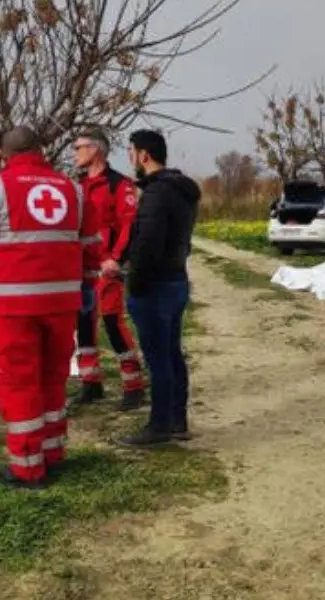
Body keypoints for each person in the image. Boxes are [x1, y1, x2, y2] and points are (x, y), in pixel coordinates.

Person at [0, 126, 108, 489]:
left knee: (19, 381)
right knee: (53, 377)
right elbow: (92, 244)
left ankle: (27, 466)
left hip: (14, 305)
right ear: (41, 150)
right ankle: (53, 452)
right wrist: (84, 285)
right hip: (63, 302)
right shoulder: (72, 188)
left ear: (3, 155)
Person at [114, 129, 200, 446]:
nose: (131, 159)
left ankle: (159, 424)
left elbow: (148, 244)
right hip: (177, 280)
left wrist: (134, 284)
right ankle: (177, 419)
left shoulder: (156, 194)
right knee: (172, 354)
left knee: (158, 359)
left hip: (155, 286)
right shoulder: (182, 190)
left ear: (144, 155)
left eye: (131, 152)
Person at [70, 128, 146, 410]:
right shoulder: (76, 186)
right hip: (81, 269)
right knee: (83, 324)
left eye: (79, 147)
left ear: (96, 150)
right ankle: (91, 383)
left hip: (107, 268)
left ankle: (134, 385)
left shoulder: (120, 185)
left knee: (113, 321)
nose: (75, 152)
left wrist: (115, 259)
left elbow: (129, 224)